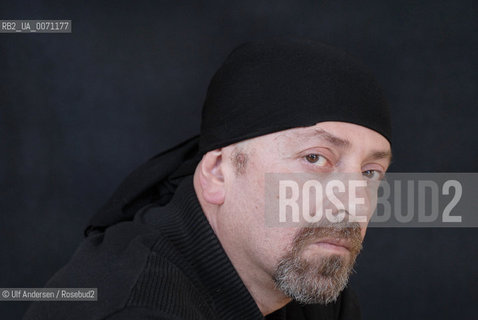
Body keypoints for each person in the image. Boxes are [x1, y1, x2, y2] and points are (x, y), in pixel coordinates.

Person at [24, 38, 392, 320]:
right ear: (218, 173)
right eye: (315, 158)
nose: (353, 201)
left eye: (370, 173)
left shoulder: (310, 286)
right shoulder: (136, 308)